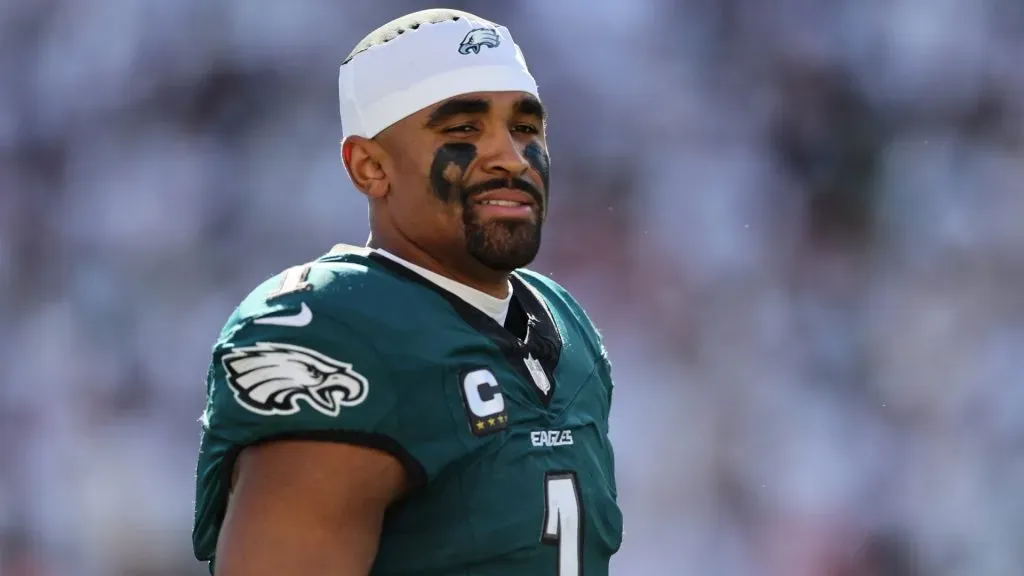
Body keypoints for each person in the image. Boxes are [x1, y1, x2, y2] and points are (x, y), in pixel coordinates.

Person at [192, 8, 622, 575]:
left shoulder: (563, 325)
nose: (511, 157)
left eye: (524, 128)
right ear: (371, 166)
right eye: (463, 129)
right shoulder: (340, 325)